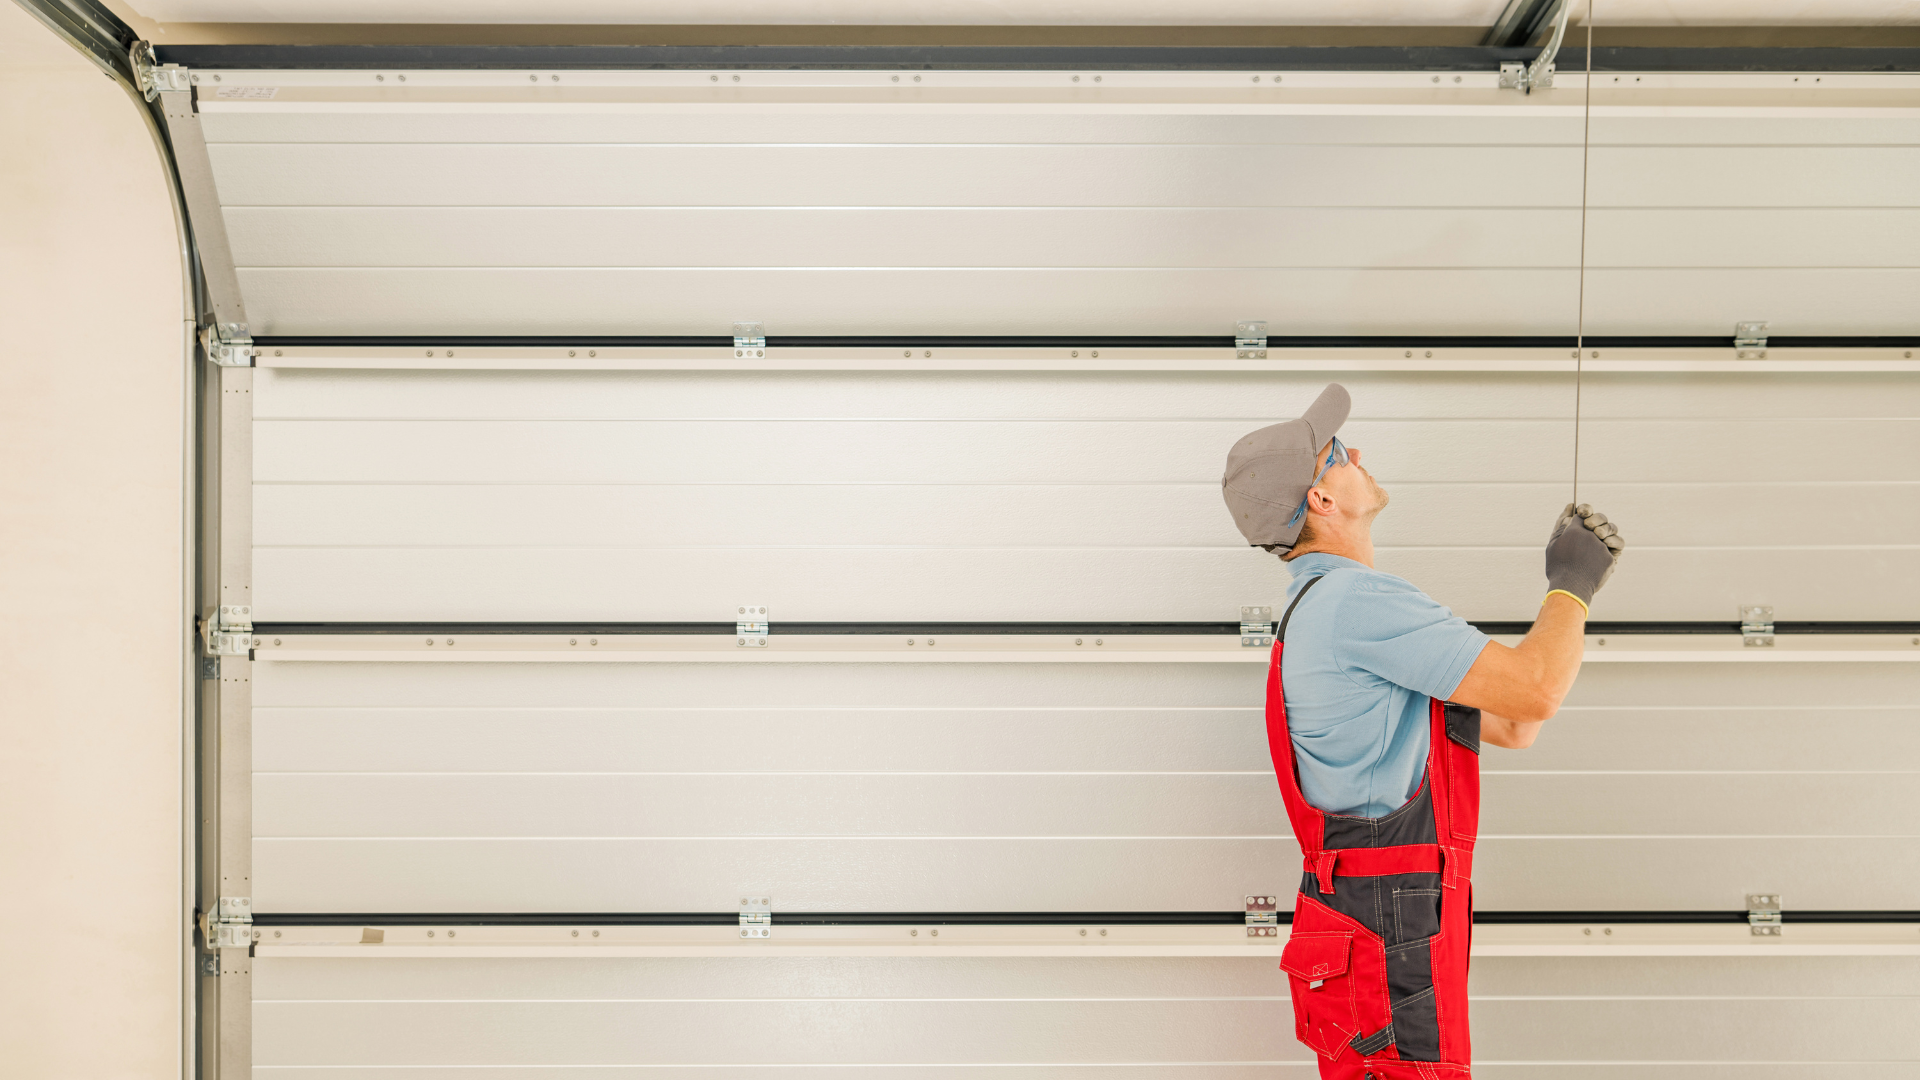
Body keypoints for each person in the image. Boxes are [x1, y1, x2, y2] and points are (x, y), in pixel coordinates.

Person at [1221, 383, 1623, 1079]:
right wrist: (1572, 585)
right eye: (1340, 452)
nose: (1359, 454)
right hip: (1390, 919)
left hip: (1368, 913)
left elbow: (1514, 723)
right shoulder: (1356, 601)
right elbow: (1537, 691)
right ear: (1321, 499)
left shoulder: (1320, 608)